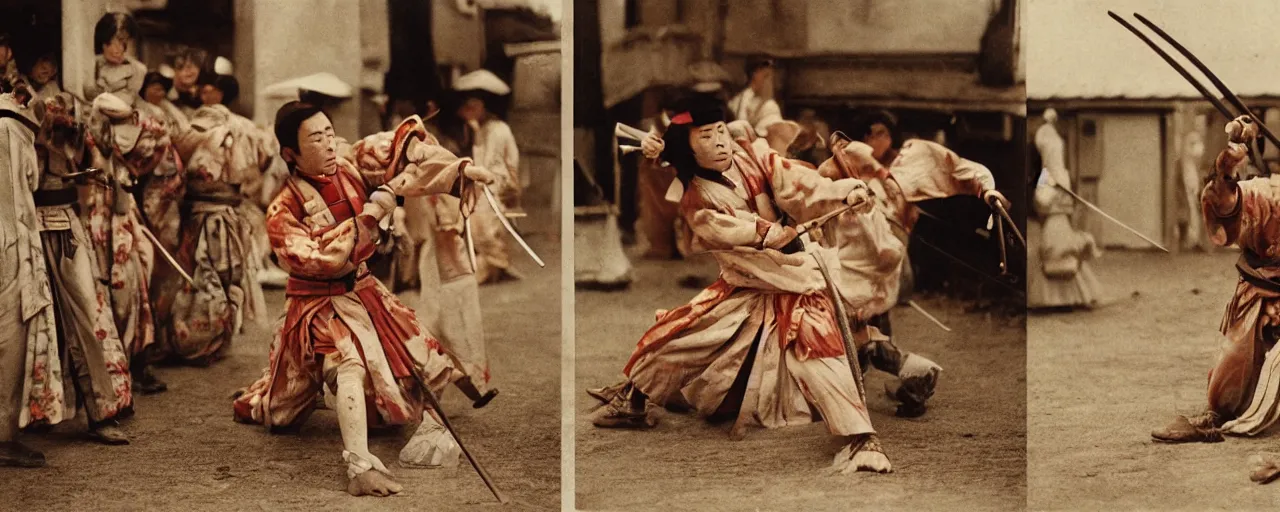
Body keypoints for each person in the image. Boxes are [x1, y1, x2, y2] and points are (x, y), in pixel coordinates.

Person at [588, 103, 893, 474]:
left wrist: (842, 193)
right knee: (682, 338)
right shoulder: (695, 197)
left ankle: (860, 438)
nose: (719, 142)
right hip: (748, 281)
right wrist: (773, 234)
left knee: (819, 347)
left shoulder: (754, 154)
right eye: (705, 136)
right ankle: (632, 398)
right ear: (687, 148)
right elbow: (730, 231)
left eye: (720, 130)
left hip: (794, 280)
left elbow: (799, 184)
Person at [232, 102, 498, 496]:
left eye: (328, 133)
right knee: (307, 394)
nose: (326, 144)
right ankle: (359, 465)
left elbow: (401, 147)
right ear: (290, 153)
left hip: (363, 289)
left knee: (419, 351)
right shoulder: (283, 209)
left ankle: (422, 416)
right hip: (317, 304)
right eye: (314, 138)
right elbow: (320, 260)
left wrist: (456, 170)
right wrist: (372, 214)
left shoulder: (351, 163)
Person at [818, 131, 1008, 417]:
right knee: (866, 335)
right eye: (869, 133)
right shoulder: (848, 176)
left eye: (880, 132)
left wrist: (987, 189)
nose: (873, 139)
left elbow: (960, 169)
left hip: (877, 263)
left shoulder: (911, 159)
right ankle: (912, 377)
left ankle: (889, 384)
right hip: (857, 262)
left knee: (860, 333)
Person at [1152, 115, 1280, 444]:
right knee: (1230, 379)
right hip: (1259, 294)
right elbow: (1226, 205)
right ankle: (1228, 410)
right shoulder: (1261, 191)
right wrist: (1226, 171)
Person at [27, 87, 135, 444]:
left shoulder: (73, 128)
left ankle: (100, 411)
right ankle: (33, 413)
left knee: (85, 317)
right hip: (27, 227)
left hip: (63, 226)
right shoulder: (19, 123)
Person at [156, 74, 277, 365]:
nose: (204, 94)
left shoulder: (218, 127)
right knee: (207, 277)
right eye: (203, 90)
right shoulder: (202, 125)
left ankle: (214, 340)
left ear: (222, 94)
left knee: (219, 276)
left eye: (209, 90)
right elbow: (261, 162)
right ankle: (204, 339)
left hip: (218, 211)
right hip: (206, 211)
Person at [0, 76, 55, 467]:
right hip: (8, 240)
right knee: (8, 339)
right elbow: (32, 179)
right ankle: (3, 437)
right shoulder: (12, 125)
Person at [1027, 109, 1103, 309]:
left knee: (1063, 251)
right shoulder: (1047, 170)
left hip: (1059, 218)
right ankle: (1056, 298)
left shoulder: (1061, 173)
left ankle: (1068, 297)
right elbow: (1041, 203)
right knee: (1055, 252)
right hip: (1053, 218)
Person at [453, 70, 522, 283]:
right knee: (476, 226)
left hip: (496, 183)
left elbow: (497, 162)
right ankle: (496, 266)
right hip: (484, 182)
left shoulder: (498, 129)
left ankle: (496, 267)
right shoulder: (480, 129)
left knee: (484, 226)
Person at [726, 56, 782, 138]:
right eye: (766, 76)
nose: (769, 82)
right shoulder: (739, 101)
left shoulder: (768, 103)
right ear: (755, 74)